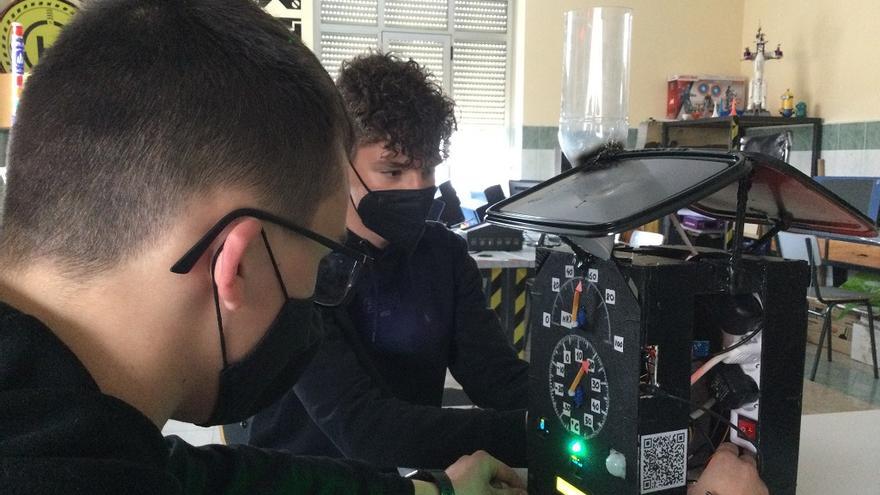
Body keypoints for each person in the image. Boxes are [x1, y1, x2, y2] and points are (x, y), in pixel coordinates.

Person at [0, 1, 526, 494]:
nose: (415, 187)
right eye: (321, 258)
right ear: (239, 263)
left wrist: (427, 489)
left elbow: (194, 475)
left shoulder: (74, 431)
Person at [249, 52, 530, 469]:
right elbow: (364, 428)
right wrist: (536, 436)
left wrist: (576, 418)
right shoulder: (299, 263)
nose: (418, 188)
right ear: (339, 165)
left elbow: (497, 377)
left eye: (429, 169)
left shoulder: (444, 256)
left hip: (403, 479)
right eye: (393, 172)